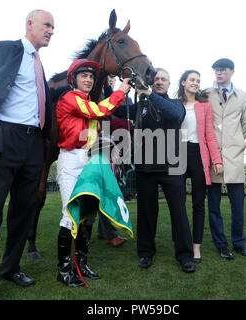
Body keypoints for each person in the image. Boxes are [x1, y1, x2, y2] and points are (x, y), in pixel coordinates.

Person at [0, 10, 70, 300]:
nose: (51, 31)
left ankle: (10, 268)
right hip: (4, 140)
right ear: (30, 24)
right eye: (47, 25)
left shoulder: (39, 64)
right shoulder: (4, 49)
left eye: (53, 27)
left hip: (33, 146)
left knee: (23, 211)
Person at [55, 58, 131, 287]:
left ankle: (81, 264)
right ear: (74, 80)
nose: (88, 80)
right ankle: (64, 270)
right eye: (83, 76)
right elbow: (98, 111)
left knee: (88, 215)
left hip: (89, 162)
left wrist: (110, 148)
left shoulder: (86, 103)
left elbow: (92, 136)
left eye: (91, 77)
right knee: (70, 215)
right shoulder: (69, 98)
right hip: (71, 161)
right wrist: (120, 92)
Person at [113, 68, 196, 273]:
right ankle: (146, 253)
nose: (159, 82)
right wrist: (119, 86)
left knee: (178, 212)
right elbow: (116, 109)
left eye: (163, 79)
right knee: (147, 212)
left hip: (172, 167)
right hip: (146, 167)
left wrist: (148, 94)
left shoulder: (176, 104)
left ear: (169, 84)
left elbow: (174, 114)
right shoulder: (140, 105)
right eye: (156, 79)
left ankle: (185, 255)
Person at [206, 58, 246, 260]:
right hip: (213, 156)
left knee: (238, 205)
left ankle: (239, 243)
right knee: (214, 205)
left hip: (234, 156)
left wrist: (234, 142)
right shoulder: (206, 94)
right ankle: (221, 244)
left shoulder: (242, 96)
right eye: (216, 70)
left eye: (222, 70)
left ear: (232, 71)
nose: (219, 73)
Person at [177, 70, 223, 263]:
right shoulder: (175, 105)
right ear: (183, 82)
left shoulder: (204, 106)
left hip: (198, 154)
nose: (196, 83)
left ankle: (196, 247)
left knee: (198, 204)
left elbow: (209, 135)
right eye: (192, 80)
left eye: (198, 80)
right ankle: (181, 244)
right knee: (178, 205)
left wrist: (217, 159)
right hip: (177, 155)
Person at [96, 75, 129, 248]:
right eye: (108, 77)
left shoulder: (109, 94)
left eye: (112, 78)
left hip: (110, 142)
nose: (110, 80)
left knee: (109, 185)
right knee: (106, 187)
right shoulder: (97, 94)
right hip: (100, 141)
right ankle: (110, 233)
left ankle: (103, 230)